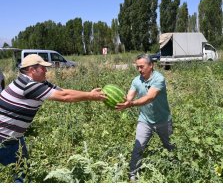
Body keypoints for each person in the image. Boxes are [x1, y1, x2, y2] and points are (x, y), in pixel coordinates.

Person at [0, 54, 107, 182]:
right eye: (43, 68)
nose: (46, 70)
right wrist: (90, 96)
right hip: (4, 139)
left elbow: (62, 91)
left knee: (24, 169)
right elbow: (65, 97)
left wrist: (89, 93)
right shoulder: (29, 85)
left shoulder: (36, 82)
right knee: (21, 175)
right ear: (32, 70)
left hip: (14, 137)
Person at [116, 54, 174, 182]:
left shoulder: (159, 78)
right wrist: (121, 101)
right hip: (145, 120)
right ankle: (133, 175)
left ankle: (175, 168)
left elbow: (150, 97)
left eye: (141, 67)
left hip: (163, 120)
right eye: (137, 67)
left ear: (151, 65)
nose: (139, 70)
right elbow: (129, 96)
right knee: (138, 147)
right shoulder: (136, 80)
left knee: (169, 146)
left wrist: (131, 104)